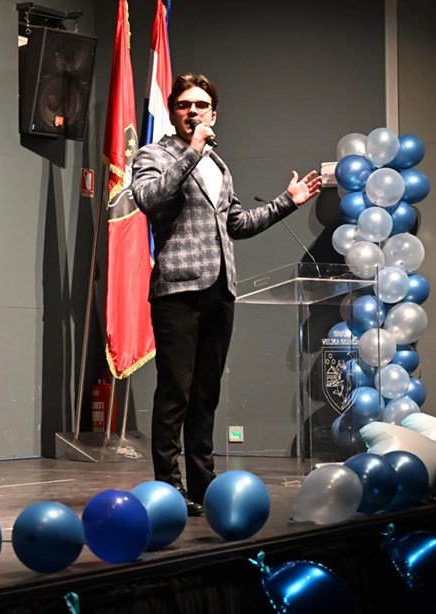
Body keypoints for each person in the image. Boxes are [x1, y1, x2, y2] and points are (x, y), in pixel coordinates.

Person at [130, 73, 321, 516]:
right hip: (178, 289)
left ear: (213, 115)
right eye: (184, 105)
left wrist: (287, 202)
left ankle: (202, 484)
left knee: (206, 394)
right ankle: (168, 486)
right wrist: (192, 152)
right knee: (175, 391)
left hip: (220, 290)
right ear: (174, 114)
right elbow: (149, 198)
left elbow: (236, 224)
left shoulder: (219, 166)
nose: (192, 111)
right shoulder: (154, 155)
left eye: (201, 105)